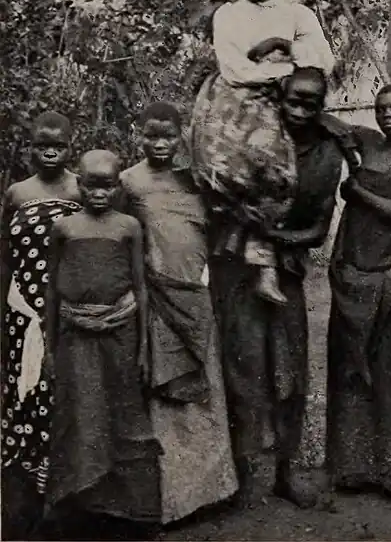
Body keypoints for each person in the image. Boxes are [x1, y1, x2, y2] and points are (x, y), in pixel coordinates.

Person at [209, 66, 348, 509]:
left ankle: (286, 473)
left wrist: (273, 235)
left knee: (291, 372)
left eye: (312, 104)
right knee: (242, 367)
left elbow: (318, 230)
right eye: (294, 102)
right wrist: (244, 220)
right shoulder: (252, 133)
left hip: (287, 270)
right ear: (279, 98)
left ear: (322, 106)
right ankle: (242, 475)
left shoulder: (327, 153)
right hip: (239, 268)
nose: (301, 112)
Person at [190, 0, 335, 307]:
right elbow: (234, 67)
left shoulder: (296, 12)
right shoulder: (228, 15)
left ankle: (269, 262)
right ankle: (247, 256)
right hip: (239, 96)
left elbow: (323, 60)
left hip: (291, 94)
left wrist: (283, 46)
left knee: (286, 174)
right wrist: (279, 65)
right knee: (229, 167)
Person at [120, 102, 238, 524]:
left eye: (168, 136)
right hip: (155, 297)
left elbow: (215, 233)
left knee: (203, 388)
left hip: (195, 295)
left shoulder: (195, 182)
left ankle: (210, 491)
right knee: (164, 394)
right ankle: (169, 499)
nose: (160, 144)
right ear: (138, 135)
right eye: (151, 136)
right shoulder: (128, 182)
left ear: (181, 136)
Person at [325, 84, 391, 502]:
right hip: (352, 271)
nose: (386, 114)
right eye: (380, 108)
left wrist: (359, 194)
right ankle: (351, 468)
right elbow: (325, 122)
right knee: (350, 367)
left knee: (390, 372)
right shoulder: (367, 141)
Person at [44, 150, 161, 536]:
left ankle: (127, 513)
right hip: (75, 335)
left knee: (123, 415)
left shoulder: (129, 226)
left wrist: (143, 348)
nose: (99, 194)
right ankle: (80, 510)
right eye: (91, 186)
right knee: (79, 417)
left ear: (118, 187)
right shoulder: (64, 228)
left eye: (107, 186)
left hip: (120, 332)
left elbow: (140, 288)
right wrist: (49, 348)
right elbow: (52, 291)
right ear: (78, 184)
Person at [1, 111, 81, 541]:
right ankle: (27, 491)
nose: (50, 152)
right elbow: (6, 255)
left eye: (58, 145)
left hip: (66, 309)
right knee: (24, 388)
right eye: (41, 145)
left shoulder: (81, 189)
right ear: (30, 146)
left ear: (71, 146)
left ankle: (62, 492)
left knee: (62, 388)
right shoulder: (17, 192)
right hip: (22, 312)